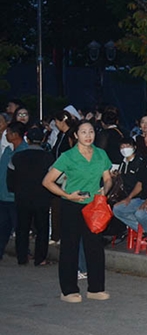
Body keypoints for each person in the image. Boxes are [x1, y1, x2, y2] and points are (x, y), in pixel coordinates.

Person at [41, 120, 113, 302]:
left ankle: (96, 288)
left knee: (95, 248)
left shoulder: (101, 154)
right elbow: (47, 181)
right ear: (76, 135)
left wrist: (104, 190)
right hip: (72, 205)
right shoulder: (68, 156)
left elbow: (108, 178)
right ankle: (68, 290)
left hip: (93, 206)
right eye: (83, 132)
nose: (88, 136)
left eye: (91, 132)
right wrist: (67, 195)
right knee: (70, 248)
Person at [9, 126, 55, 265]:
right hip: (42, 198)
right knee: (42, 229)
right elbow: (55, 178)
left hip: (22, 197)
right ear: (43, 139)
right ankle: (40, 258)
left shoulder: (17, 157)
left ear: (27, 139)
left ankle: (22, 257)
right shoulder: (48, 158)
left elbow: (10, 179)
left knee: (22, 228)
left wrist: (15, 190)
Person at [0, 122, 27, 260]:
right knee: (2, 227)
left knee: (20, 228)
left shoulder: (25, 152)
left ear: (16, 135)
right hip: (3, 196)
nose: (6, 135)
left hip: (16, 197)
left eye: (9, 132)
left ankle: (23, 254)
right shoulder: (7, 150)